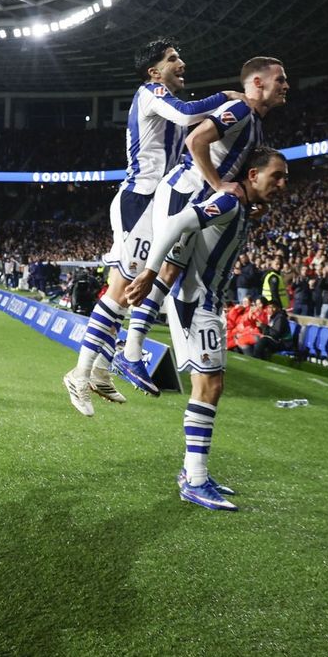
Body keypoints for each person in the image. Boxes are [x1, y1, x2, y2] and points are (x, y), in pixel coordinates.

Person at [63, 37, 240, 415]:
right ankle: (79, 374)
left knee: (124, 290)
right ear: (153, 70)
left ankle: (101, 371)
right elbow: (187, 113)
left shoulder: (166, 97)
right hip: (139, 200)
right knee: (119, 292)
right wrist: (224, 96)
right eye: (173, 58)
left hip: (154, 202)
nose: (182, 62)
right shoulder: (151, 92)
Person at [123, 146, 290, 511]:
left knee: (211, 385)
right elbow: (179, 222)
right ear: (252, 175)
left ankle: (193, 472)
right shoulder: (229, 203)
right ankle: (195, 478)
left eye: (285, 179)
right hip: (200, 303)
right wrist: (150, 271)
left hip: (207, 303)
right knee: (208, 385)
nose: (281, 184)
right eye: (275, 175)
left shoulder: (241, 207)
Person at [113, 55, 290, 393]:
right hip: (187, 187)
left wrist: (243, 200)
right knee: (166, 270)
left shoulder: (255, 124)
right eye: (279, 79)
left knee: (172, 271)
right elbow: (197, 140)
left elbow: (234, 170)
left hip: (200, 194)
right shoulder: (240, 111)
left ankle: (132, 349)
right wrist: (219, 184)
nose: (286, 85)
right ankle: (131, 351)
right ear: (257, 83)